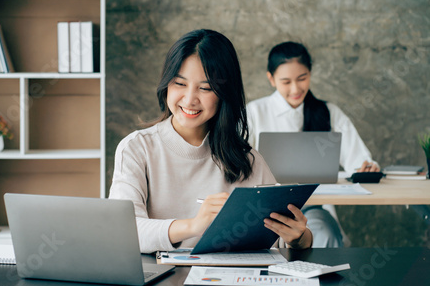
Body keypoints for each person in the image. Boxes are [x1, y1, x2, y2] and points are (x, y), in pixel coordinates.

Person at [109, 30, 313, 254]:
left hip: (229, 285)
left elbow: (275, 238)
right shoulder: (137, 149)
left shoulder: (247, 159)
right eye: (179, 83)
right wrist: (193, 225)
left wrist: (300, 237)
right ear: (166, 84)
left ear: (224, 93)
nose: (189, 99)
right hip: (161, 283)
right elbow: (124, 232)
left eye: (205, 88)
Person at [247, 41, 379, 248]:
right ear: (271, 79)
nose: (295, 88)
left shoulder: (328, 112)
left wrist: (366, 167)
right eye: (286, 81)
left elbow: (359, 161)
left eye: (302, 78)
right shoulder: (254, 112)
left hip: (314, 209)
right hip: (264, 209)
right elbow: (237, 165)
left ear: (310, 73)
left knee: (322, 234)